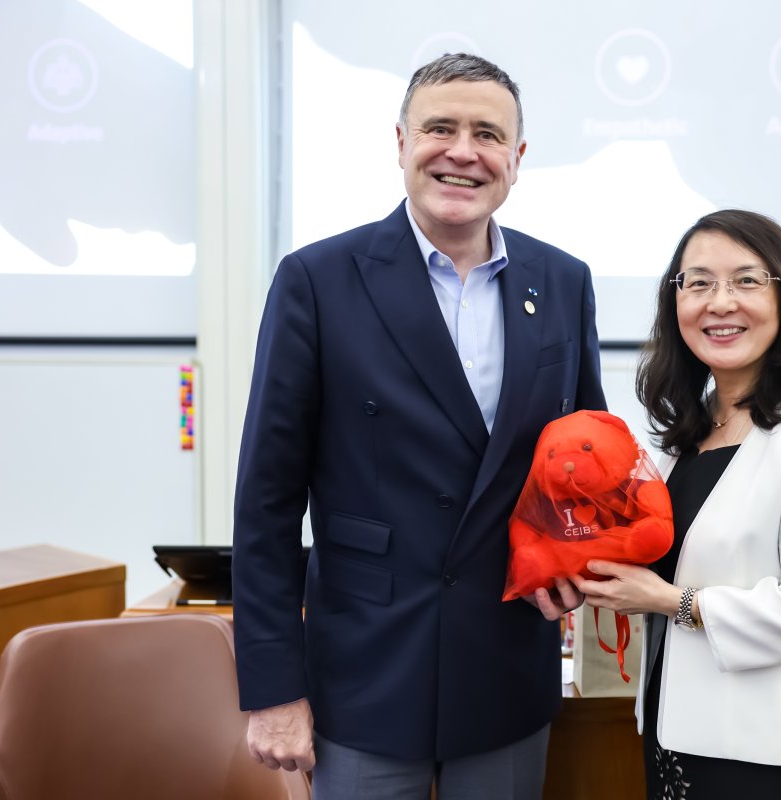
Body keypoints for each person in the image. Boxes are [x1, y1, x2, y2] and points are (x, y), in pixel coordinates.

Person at [232, 53, 605, 800]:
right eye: (440, 129)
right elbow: (266, 503)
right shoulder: (318, 281)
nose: (462, 152)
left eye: (487, 134)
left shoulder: (563, 282)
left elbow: (582, 463)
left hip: (506, 667)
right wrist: (273, 688)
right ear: (401, 143)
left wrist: (574, 559)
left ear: (517, 158)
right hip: (366, 674)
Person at [576, 210, 781, 799]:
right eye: (699, 283)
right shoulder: (688, 432)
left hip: (767, 751)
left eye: (746, 281)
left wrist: (670, 601)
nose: (720, 302)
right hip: (674, 729)